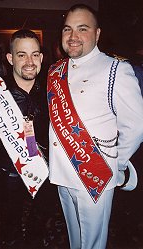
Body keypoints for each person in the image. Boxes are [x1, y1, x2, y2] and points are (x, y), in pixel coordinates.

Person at [47, 4, 143, 249]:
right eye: (68, 29)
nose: (73, 36)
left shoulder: (116, 70)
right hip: (62, 172)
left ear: (97, 34)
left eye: (82, 29)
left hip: (94, 175)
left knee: (92, 244)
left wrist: (114, 164)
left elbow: (136, 127)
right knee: (74, 237)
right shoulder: (55, 70)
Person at [0, 29, 49, 247]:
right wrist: (3, 142)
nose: (29, 61)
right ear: (10, 58)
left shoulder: (50, 90)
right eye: (21, 54)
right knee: (10, 223)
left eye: (35, 54)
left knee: (41, 218)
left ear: (41, 58)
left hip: (45, 169)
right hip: (9, 173)